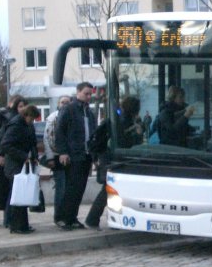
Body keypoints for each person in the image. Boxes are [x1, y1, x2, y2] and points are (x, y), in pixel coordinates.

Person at [85, 96, 143, 229]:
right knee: (109, 190)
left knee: (108, 190)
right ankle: (94, 219)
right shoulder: (126, 121)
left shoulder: (115, 118)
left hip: (107, 157)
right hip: (117, 159)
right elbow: (128, 143)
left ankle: (96, 219)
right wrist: (138, 133)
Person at [54, 82, 97, 230]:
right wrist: (63, 152)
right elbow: (60, 132)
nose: (89, 96)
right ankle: (63, 217)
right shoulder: (69, 109)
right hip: (73, 155)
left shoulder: (89, 112)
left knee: (80, 188)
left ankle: (72, 217)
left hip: (86, 155)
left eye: (90, 94)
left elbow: (92, 132)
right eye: (86, 93)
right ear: (78, 92)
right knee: (72, 187)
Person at [0, 104, 40, 234]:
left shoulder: (25, 125)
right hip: (15, 164)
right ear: (26, 115)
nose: (32, 121)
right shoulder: (16, 125)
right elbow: (6, 144)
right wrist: (23, 156)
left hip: (22, 163)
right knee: (18, 195)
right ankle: (16, 225)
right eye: (31, 118)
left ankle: (22, 224)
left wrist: (34, 156)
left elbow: (32, 142)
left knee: (22, 195)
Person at [0, 94, 27, 228]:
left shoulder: (20, 120)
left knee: (8, 189)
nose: (22, 108)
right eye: (19, 105)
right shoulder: (5, 117)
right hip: (1, 157)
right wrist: (0, 154)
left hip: (11, 158)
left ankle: (9, 218)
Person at [42, 95, 72, 225]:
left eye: (67, 102)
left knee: (68, 188)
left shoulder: (73, 116)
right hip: (56, 156)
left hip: (71, 157)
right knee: (61, 187)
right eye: (62, 102)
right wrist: (50, 158)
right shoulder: (53, 117)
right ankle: (59, 217)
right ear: (58, 104)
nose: (65, 104)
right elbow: (47, 139)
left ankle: (68, 216)